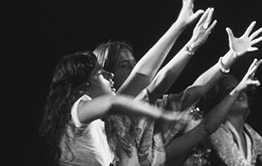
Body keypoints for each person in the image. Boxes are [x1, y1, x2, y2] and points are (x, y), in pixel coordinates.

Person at [94, 0, 262, 165]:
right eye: (124, 65)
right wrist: (185, 35)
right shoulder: (101, 118)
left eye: (134, 63)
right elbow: (149, 80)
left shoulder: (153, 127)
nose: (133, 69)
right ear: (105, 74)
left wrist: (230, 58)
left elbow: (196, 105)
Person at [39, 51, 185, 166]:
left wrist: (180, 27)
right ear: (83, 86)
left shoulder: (99, 125)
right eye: (100, 73)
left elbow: (141, 77)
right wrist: (163, 115)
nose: (110, 75)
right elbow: (113, 102)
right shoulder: (77, 109)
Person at [200, 74, 262, 166]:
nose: (241, 93)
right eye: (231, 91)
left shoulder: (249, 132)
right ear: (221, 102)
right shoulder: (217, 131)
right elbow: (237, 163)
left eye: (242, 88)